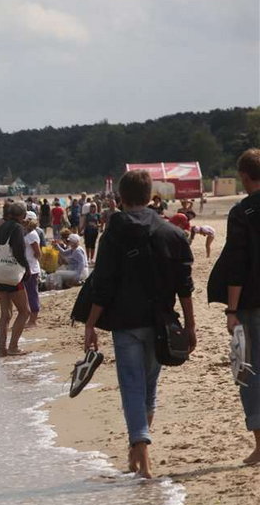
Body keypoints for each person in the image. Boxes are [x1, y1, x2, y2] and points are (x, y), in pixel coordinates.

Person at [83, 170, 196, 478]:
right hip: (161, 321)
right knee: (149, 386)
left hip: (125, 323)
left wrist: (90, 324)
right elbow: (184, 285)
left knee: (132, 387)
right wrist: (189, 324)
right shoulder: (171, 233)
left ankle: (141, 453)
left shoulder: (114, 234)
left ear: (120, 197)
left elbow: (102, 284)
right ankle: (138, 452)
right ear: (149, 196)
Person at [207, 148, 260, 465]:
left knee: (250, 372)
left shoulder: (243, 212)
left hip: (252, 303)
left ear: (243, 176)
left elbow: (237, 265)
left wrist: (231, 309)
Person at [0, 201, 30, 357]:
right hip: (13, 275)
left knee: (5, 315)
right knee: (24, 311)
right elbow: (19, 251)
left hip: (0, 273)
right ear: (23, 215)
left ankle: (2, 349)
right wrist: (26, 268)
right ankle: (13, 346)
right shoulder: (17, 228)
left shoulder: (0, 227)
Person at [23, 211, 42, 327]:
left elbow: (38, 253)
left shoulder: (32, 235)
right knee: (27, 294)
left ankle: (33, 320)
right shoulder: (27, 233)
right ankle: (30, 318)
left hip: (32, 269)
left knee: (32, 294)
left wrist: (30, 259)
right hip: (27, 268)